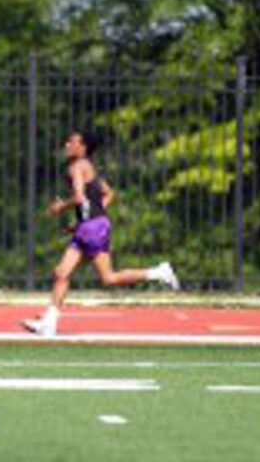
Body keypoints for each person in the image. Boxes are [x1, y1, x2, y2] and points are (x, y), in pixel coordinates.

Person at [22, 130, 179, 336]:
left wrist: (60, 207)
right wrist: (88, 219)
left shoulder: (77, 167)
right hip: (90, 227)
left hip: (92, 228)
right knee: (61, 273)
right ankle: (49, 324)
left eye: (72, 141)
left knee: (108, 278)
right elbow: (108, 193)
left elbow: (79, 198)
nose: (67, 144)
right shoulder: (88, 167)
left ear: (83, 147)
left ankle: (159, 273)